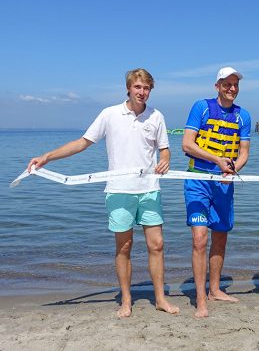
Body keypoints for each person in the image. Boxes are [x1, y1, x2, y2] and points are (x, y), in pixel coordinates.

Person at [27, 69, 180, 318]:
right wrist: (47, 157)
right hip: (119, 191)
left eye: (147, 88)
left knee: (157, 245)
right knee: (124, 247)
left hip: (149, 190)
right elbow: (82, 143)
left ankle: (161, 299)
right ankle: (126, 300)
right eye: (138, 87)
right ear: (128, 88)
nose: (142, 92)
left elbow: (164, 150)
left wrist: (165, 160)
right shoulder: (110, 114)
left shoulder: (157, 116)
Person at [182, 67, 251, 318]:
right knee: (199, 238)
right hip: (198, 180)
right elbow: (187, 144)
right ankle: (200, 298)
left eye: (235, 85)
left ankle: (214, 290)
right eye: (227, 84)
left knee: (220, 236)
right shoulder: (200, 107)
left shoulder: (244, 116)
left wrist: (233, 168)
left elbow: (243, 152)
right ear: (217, 85)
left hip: (224, 182)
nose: (232, 89)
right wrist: (217, 159)